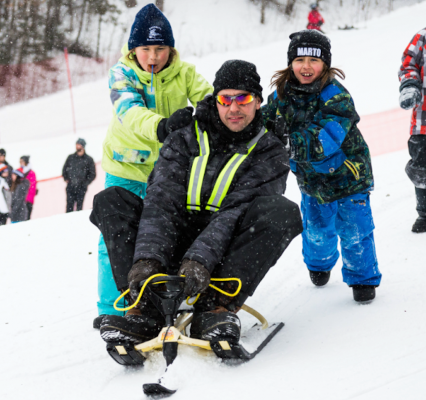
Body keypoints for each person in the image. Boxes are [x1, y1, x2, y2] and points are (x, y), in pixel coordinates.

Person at [90, 60, 303, 345]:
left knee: (282, 213)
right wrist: (148, 260)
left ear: (258, 102)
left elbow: (235, 211)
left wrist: (199, 261)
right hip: (170, 242)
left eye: (244, 99)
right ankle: (144, 305)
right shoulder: (185, 137)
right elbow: (162, 199)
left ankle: (216, 308)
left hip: (222, 255)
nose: (234, 108)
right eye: (225, 99)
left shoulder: (269, 150)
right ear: (215, 101)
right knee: (111, 200)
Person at [95, 3, 213, 328]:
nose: (153, 56)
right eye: (145, 48)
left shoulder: (184, 72)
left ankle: (161, 299)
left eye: (160, 48)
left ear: (170, 49)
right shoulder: (122, 73)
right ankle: (112, 309)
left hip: (169, 173)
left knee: (161, 236)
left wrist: (207, 111)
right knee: (115, 238)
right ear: (134, 49)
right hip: (125, 170)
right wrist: (163, 127)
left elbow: (209, 96)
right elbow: (128, 111)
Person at [262, 30, 382, 302]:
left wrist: (289, 142)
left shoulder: (336, 96)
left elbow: (327, 137)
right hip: (311, 181)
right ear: (290, 63)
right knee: (316, 231)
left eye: (313, 60)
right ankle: (319, 264)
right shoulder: (282, 96)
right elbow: (263, 123)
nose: (306, 66)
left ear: (325, 64)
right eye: (300, 59)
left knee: (355, 231)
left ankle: (362, 279)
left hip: (350, 178)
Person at [398, 28, 426, 233]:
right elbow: (408, 63)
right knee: (421, 168)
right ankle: (425, 213)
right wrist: (409, 83)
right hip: (423, 122)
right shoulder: (422, 37)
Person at [62, 138, 96, 213]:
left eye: (79, 145)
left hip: (81, 188)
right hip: (70, 186)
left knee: (79, 208)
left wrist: (85, 183)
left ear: (83, 146)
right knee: (69, 207)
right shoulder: (70, 157)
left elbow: (92, 174)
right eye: (76, 145)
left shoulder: (89, 159)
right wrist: (67, 179)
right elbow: (64, 169)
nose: (77, 146)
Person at [18, 155, 37, 220]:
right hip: (21, 199)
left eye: (22, 161)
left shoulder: (31, 173)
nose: (20, 163)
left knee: (27, 217)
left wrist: (27, 198)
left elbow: (32, 187)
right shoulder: (20, 172)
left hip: (28, 199)